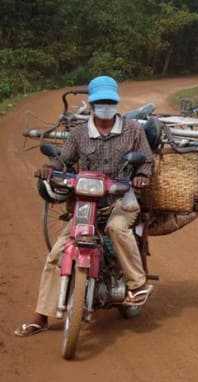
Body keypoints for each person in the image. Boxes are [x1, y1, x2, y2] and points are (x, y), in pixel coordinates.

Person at [14, 76, 154, 337]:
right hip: (86, 204)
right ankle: (41, 316)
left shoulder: (133, 129)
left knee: (116, 228)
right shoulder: (79, 133)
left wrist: (142, 175)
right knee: (57, 252)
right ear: (91, 104)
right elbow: (63, 159)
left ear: (116, 103)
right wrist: (51, 168)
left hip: (120, 201)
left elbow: (146, 161)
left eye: (109, 102)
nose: (105, 106)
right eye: (100, 102)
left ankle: (137, 284)